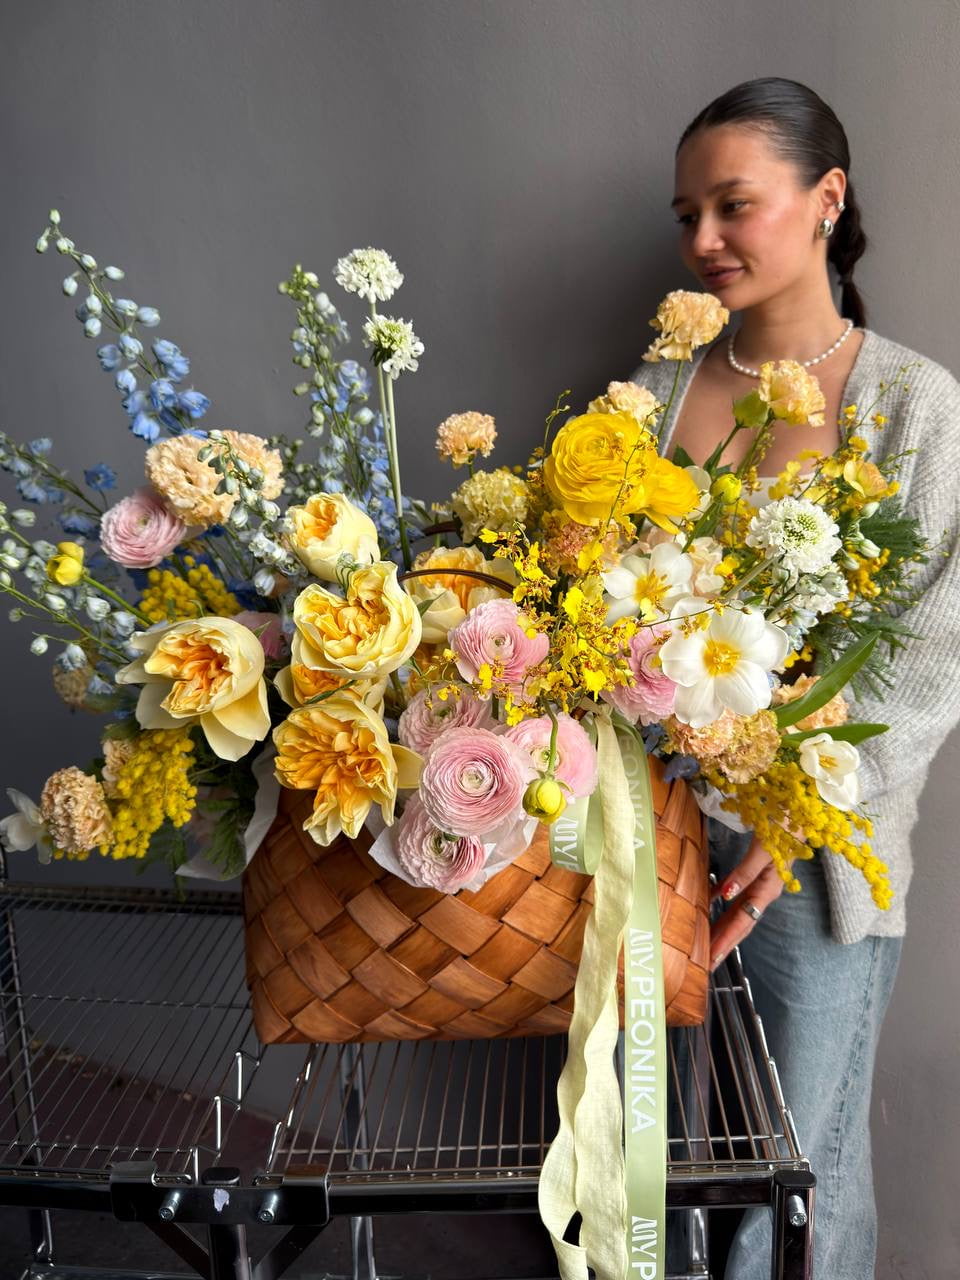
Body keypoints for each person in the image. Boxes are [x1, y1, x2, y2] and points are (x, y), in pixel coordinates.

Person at [627, 77, 960, 1280]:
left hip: (815, 857)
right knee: (645, 1148)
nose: (704, 239)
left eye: (734, 205)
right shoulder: (656, 392)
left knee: (796, 1163)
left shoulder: (917, 406)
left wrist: (805, 801)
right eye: (687, 216)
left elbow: (931, 653)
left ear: (827, 198)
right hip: (648, 828)